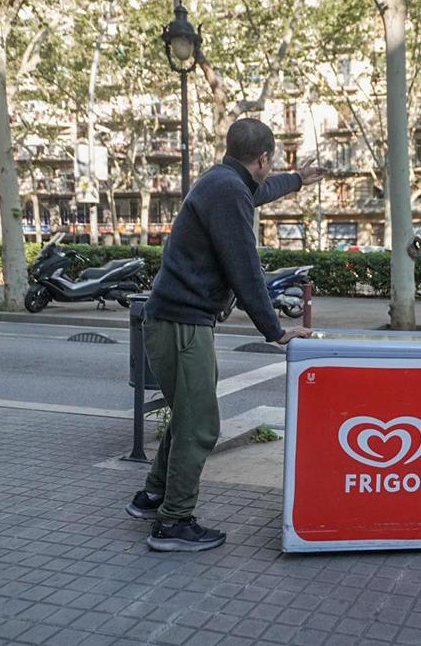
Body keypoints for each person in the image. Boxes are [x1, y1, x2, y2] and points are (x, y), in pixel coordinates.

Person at [126, 118, 326, 552]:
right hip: (183, 324)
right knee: (200, 424)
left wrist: (297, 181)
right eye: (272, 165)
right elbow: (244, 268)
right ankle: (173, 523)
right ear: (263, 158)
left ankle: (154, 495)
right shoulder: (229, 192)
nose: (269, 174)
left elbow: (261, 192)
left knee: (186, 414)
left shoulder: (223, 180)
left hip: (174, 320)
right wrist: (275, 330)